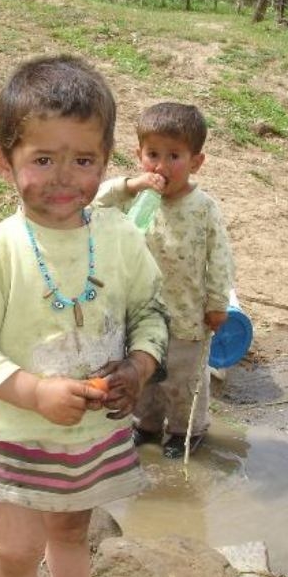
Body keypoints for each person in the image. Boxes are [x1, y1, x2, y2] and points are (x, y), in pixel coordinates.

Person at [0, 55, 168, 577]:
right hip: (18, 434)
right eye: (43, 160)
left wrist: (139, 367)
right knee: (16, 548)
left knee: (73, 531)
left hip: (91, 440)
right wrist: (33, 392)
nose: (63, 178)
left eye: (83, 160)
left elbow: (151, 313)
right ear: (4, 161)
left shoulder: (120, 237)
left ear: (105, 160)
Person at [94, 103, 233, 459]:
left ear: (195, 162)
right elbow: (96, 204)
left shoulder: (204, 208)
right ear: (138, 155)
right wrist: (130, 185)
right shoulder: (136, 201)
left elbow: (219, 258)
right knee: (146, 377)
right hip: (140, 313)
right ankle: (147, 424)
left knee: (183, 381)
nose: (161, 166)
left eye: (174, 156)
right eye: (152, 154)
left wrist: (218, 303)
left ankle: (188, 430)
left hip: (187, 317)